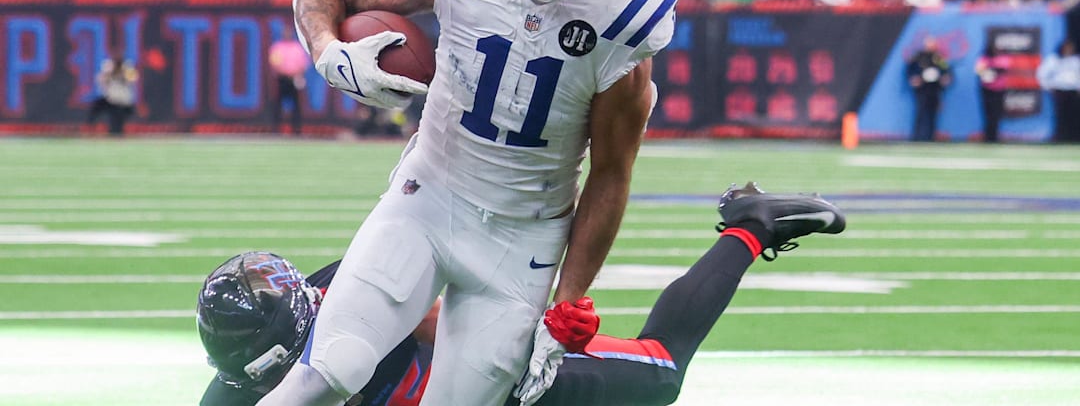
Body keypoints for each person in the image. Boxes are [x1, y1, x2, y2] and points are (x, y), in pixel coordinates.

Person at [261, 0, 678, 406]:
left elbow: (611, 170)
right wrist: (329, 53)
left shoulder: (628, 10)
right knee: (327, 370)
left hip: (525, 233)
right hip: (427, 196)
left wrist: (569, 300)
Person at [197, 183, 847, 406]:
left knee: (660, 371)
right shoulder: (237, 398)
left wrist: (533, 334)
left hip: (492, 384)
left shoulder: (348, 292)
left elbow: (438, 318)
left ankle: (750, 227)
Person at [905, 36, 952, 141]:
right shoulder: (919, 56)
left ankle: (930, 137)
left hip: (935, 88)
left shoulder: (939, 58)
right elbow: (910, 70)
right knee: (920, 112)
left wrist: (946, 77)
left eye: (933, 45)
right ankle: (916, 137)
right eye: (929, 45)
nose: (931, 47)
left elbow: (946, 70)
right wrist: (913, 78)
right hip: (922, 88)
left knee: (933, 113)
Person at [86, 49, 139, 135]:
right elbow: (100, 80)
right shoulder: (109, 68)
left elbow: (133, 79)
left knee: (117, 126)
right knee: (97, 106)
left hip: (123, 103)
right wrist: (108, 73)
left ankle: (117, 134)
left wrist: (123, 71)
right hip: (111, 100)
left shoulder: (126, 67)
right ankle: (88, 127)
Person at [1036, 39, 1080, 142]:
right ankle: (1061, 137)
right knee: (1060, 115)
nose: (1069, 50)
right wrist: (1048, 86)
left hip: (1073, 91)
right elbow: (1042, 74)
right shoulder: (1054, 60)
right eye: (1066, 47)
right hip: (1059, 90)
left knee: (1073, 115)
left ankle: (1074, 137)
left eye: (1071, 47)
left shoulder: (1075, 60)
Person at [267, 36, 309, 136]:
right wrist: (284, 73)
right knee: (278, 104)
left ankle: (296, 130)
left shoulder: (297, 48)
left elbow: (303, 64)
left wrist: (296, 74)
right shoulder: (278, 47)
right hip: (282, 79)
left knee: (296, 105)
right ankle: (276, 129)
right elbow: (274, 62)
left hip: (295, 79)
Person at [974, 40, 1009, 143]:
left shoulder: (1002, 58)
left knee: (996, 114)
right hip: (986, 90)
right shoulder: (984, 59)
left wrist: (993, 70)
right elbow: (978, 71)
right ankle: (988, 136)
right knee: (987, 114)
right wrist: (987, 70)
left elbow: (1004, 69)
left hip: (998, 90)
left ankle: (994, 136)